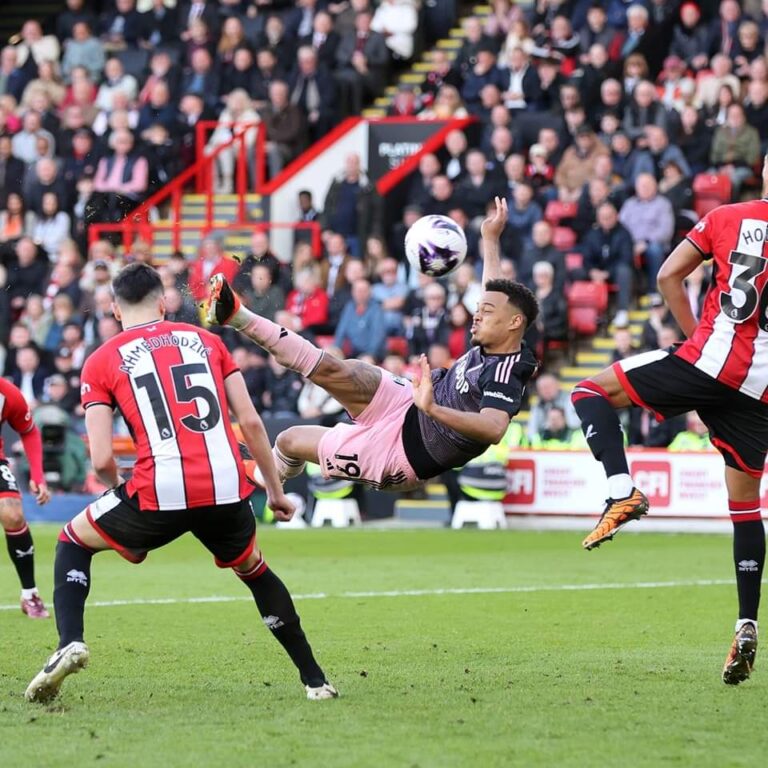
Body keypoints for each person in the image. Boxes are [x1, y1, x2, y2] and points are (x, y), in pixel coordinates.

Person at [25, 263, 336, 704]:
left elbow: (100, 457)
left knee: (72, 541)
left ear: (114, 309)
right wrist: (276, 490)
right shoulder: (208, 342)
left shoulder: (101, 360)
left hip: (160, 489)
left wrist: (118, 491)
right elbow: (249, 421)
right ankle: (315, 680)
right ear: (163, 302)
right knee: (254, 571)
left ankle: (69, 642)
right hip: (226, 486)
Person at [571, 154, 768, 686]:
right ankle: (747, 621)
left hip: (710, 359)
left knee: (589, 389)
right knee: (745, 507)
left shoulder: (730, 216)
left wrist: (692, 338)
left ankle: (622, 490)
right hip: (759, 389)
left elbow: (667, 274)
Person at [207, 197, 538, 493]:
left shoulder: (507, 371)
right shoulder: (492, 339)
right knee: (343, 369)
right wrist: (490, 238)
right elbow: (495, 291)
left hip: (404, 451)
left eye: (486, 311)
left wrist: (433, 408)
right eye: (479, 308)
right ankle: (237, 315)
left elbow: (494, 428)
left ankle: (269, 476)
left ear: (514, 323)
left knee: (289, 440)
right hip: (408, 401)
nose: (476, 315)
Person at [0, 379, 51, 618]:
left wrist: (38, 476)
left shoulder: (7, 393)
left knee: (13, 514)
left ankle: (30, 594)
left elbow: (29, 431)